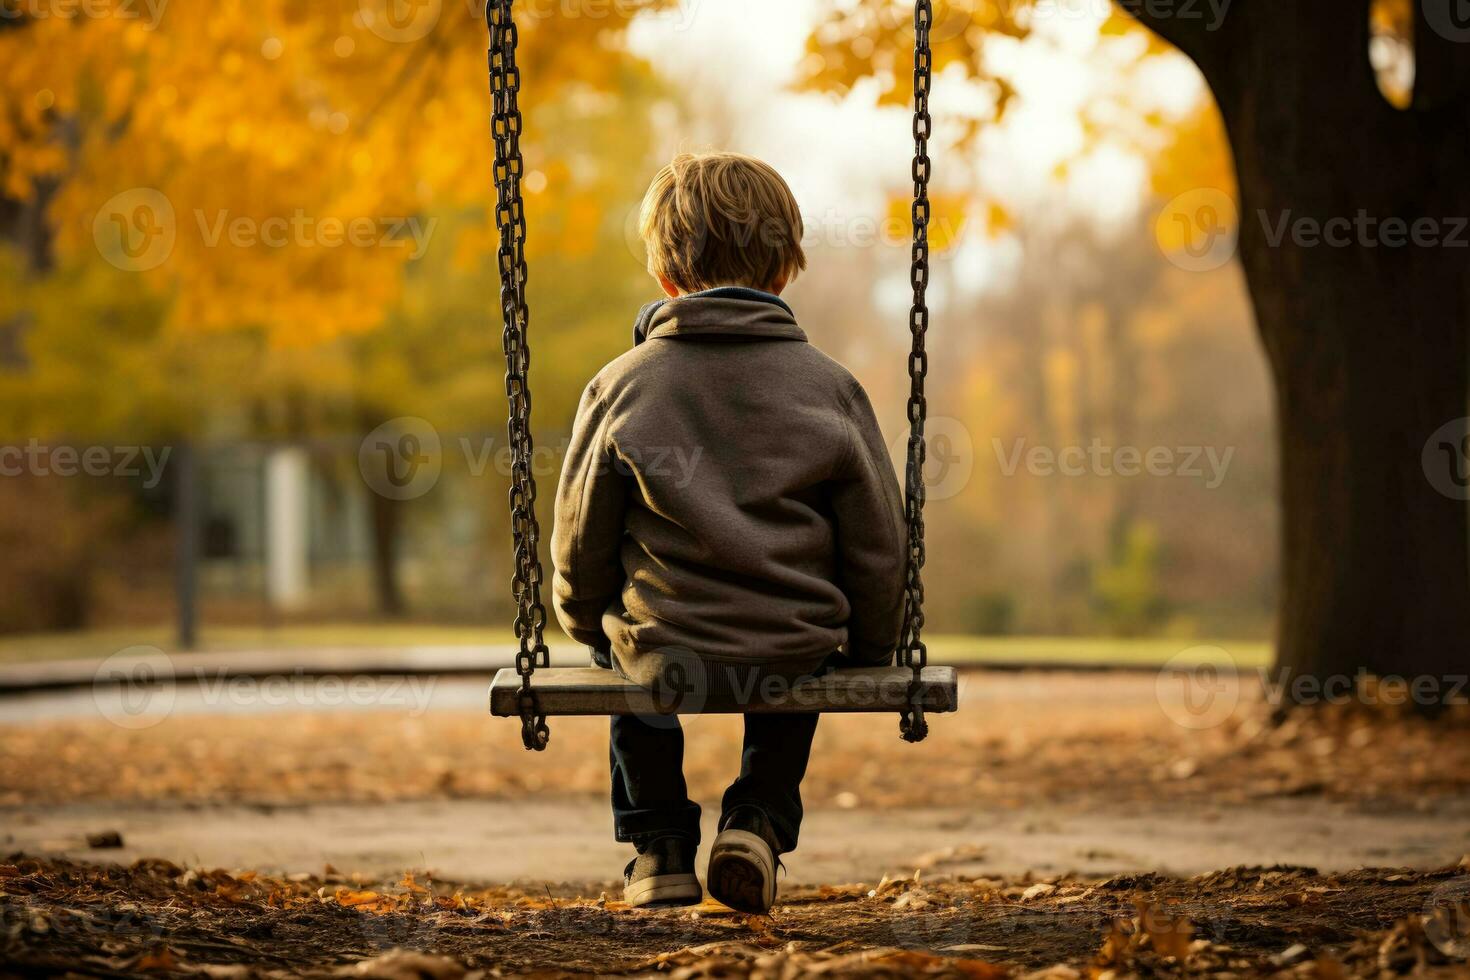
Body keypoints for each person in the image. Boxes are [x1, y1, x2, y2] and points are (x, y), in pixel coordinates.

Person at [550, 152, 906, 913]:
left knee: (628, 654)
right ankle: (757, 820)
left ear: (665, 279)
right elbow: (880, 547)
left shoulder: (621, 386)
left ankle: (658, 847)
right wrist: (875, 648)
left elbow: (582, 542)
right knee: (798, 654)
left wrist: (584, 625)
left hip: (664, 649)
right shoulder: (831, 389)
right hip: (790, 650)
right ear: (784, 271)